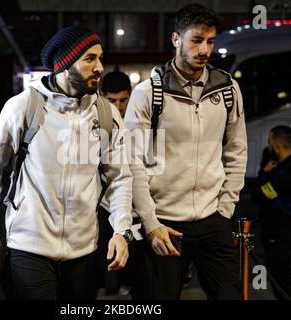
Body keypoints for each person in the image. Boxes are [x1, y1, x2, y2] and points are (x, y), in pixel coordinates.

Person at [0, 26, 133, 300]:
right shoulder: (23, 107)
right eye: (89, 59)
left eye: (100, 58)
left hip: (84, 249)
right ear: (65, 64)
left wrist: (122, 230)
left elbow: (120, 177)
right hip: (30, 246)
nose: (99, 67)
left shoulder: (106, 114)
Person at [125, 3, 247, 299]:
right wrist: (151, 224)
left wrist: (225, 209)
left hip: (213, 220)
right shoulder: (148, 93)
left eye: (210, 41)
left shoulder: (227, 88)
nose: (204, 49)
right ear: (176, 39)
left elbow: (237, 150)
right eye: (196, 40)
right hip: (164, 223)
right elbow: (132, 164)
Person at [252, 126, 291, 300]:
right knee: (280, 280)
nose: (268, 146)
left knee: (282, 282)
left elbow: (259, 195)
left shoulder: (289, 171)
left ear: (276, 145)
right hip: (279, 232)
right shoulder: (285, 167)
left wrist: (263, 175)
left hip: (282, 234)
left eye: (269, 142)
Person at [97, 71, 137, 296]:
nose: (119, 106)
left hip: (132, 204)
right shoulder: (96, 123)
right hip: (103, 206)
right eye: (112, 101)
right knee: (107, 259)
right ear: (102, 96)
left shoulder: (138, 122)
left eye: (123, 100)